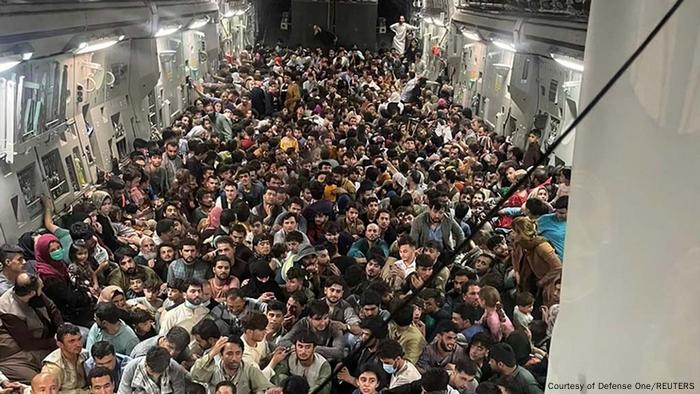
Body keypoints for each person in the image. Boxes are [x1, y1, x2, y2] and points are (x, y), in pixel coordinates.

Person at [0, 273, 62, 383]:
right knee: (41, 382)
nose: (42, 289)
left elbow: (53, 309)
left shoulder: (34, 292)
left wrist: (62, 331)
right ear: (32, 293)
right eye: (41, 287)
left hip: (44, 339)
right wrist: (56, 342)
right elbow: (28, 344)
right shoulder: (9, 311)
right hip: (16, 354)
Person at [190, 336, 274, 394]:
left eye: (238, 353)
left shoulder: (250, 369)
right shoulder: (213, 368)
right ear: (221, 355)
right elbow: (195, 374)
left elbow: (263, 388)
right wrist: (212, 353)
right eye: (229, 354)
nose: (234, 358)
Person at [272, 329, 332, 394]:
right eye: (300, 346)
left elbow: (324, 389)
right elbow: (278, 376)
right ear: (295, 347)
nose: (303, 351)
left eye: (307, 347)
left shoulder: (323, 365)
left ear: (314, 349)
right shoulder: (289, 357)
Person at [41, 323, 89, 393]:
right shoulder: (53, 367)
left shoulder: (86, 355)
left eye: (79, 339)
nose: (79, 344)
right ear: (60, 344)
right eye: (72, 341)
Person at [118, 347, 188, 393]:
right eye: (150, 370)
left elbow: (179, 391)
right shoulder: (131, 367)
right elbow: (123, 391)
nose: (154, 374)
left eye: (156, 372)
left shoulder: (175, 368)